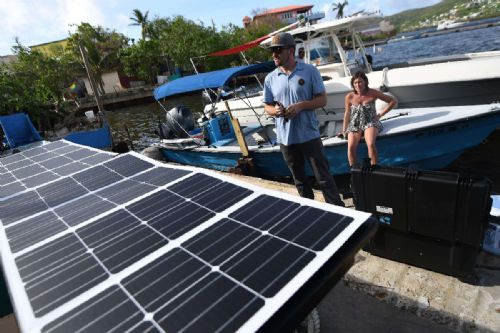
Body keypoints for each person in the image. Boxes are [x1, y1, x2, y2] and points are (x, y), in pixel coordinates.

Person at [263, 32, 344, 206]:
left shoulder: (310, 71)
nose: (274, 54)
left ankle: (339, 210)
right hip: (286, 138)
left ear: (290, 50)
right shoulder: (270, 78)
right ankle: (310, 210)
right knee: (299, 180)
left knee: (324, 178)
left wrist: (300, 106)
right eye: (272, 50)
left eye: (278, 50)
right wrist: (275, 110)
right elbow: (267, 107)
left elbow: (322, 100)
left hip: (309, 135)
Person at [340, 71, 396, 167]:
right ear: (353, 84)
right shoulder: (349, 96)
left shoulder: (373, 93)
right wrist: (344, 129)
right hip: (355, 123)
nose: (358, 84)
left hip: (370, 122)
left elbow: (392, 101)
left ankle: (374, 168)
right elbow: (347, 113)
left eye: (360, 82)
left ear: (365, 82)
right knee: (351, 147)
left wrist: (380, 115)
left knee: (370, 143)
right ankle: (355, 171)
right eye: (355, 83)